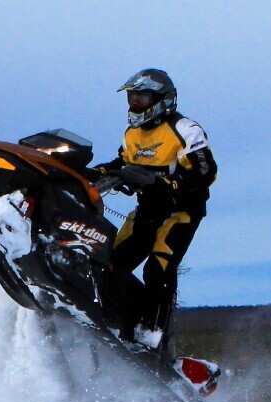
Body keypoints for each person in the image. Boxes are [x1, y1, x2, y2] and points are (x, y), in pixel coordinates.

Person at [86, 68, 217, 352]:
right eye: (132, 98)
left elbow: (205, 173)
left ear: (162, 99)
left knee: (158, 271)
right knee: (110, 263)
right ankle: (116, 319)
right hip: (146, 210)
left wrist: (162, 183)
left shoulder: (185, 130)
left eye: (141, 98)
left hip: (180, 212)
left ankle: (152, 336)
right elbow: (121, 162)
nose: (134, 104)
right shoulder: (133, 134)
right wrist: (93, 174)